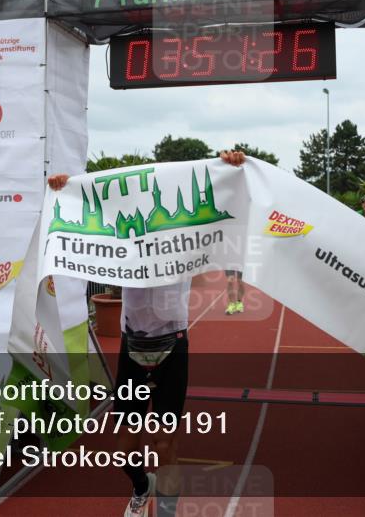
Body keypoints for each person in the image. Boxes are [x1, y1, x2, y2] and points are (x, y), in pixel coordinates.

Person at [47, 150, 246, 517]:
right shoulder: (123, 236)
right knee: (124, 448)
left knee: (165, 444)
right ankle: (141, 486)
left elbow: (224, 202)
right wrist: (66, 188)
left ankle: (167, 511)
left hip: (173, 346)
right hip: (133, 348)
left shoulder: (186, 235)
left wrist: (229, 166)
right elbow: (85, 218)